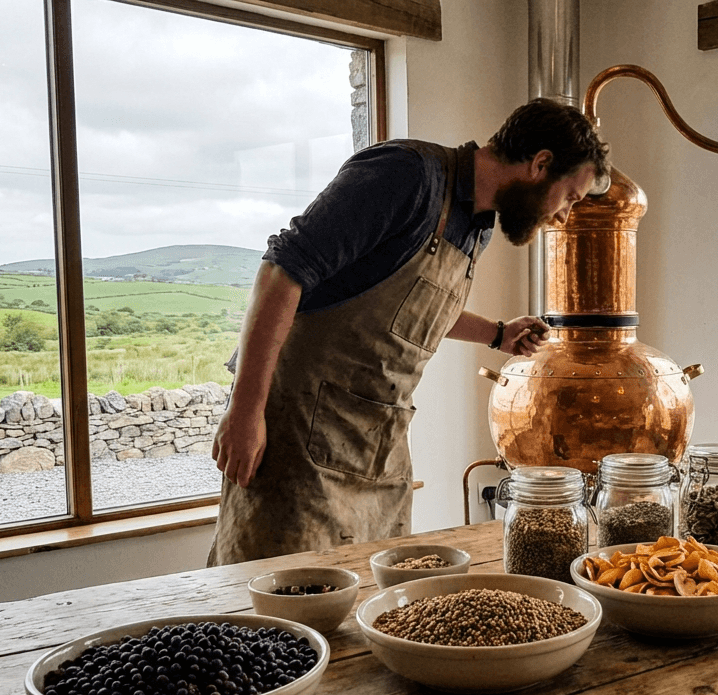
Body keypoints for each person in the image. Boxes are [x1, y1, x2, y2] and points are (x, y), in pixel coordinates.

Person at [206, 98, 610, 566]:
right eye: (570, 197)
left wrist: (497, 334)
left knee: (374, 609)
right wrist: (245, 410)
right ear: (540, 164)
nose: (563, 215)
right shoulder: (407, 175)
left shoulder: (478, 224)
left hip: (379, 452)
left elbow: (401, 306)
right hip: (297, 442)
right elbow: (282, 273)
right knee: (278, 605)